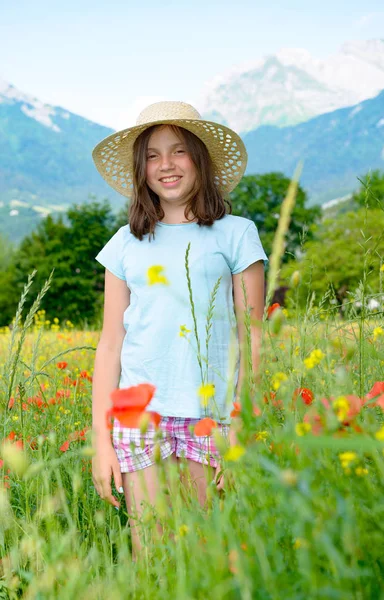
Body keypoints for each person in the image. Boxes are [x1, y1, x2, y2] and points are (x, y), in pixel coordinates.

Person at [90, 101, 267, 558]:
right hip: (138, 416)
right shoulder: (124, 243)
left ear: (201, 160)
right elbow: (110, 345)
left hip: (210, 415)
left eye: (178, 151)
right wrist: (100, 441)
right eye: (152, 155)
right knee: (150, 551)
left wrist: (241, 425)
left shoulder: (237, 234)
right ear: (140, 168)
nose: (165, 165)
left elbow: (254, 339)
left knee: (204, 555)